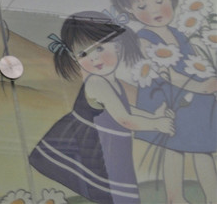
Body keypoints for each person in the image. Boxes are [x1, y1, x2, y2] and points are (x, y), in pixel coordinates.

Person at [29, 11, 175, 204]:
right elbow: (124, 119)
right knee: (112, 191)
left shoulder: (111, 81)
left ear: (118, 45)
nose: (94, 59)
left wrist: (151, 116)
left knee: (119, 192)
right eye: (83, 54)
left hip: (111, 144)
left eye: (99, 48)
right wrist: (155, 124)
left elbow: (122, 109)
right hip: (94, 147)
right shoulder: (97, 83)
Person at [109, 0, 217, 204]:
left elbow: (194, 61)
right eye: (142, 6)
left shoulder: (180, 33)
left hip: (194, 102)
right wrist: (200, 87)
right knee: (176, 148)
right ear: (129, 10)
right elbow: (166, 75)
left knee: (201, 148)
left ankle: (212, 197)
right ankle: (175, 197)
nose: (155, 10)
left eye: (159, 0)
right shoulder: (145, 39)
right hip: (167, 100)